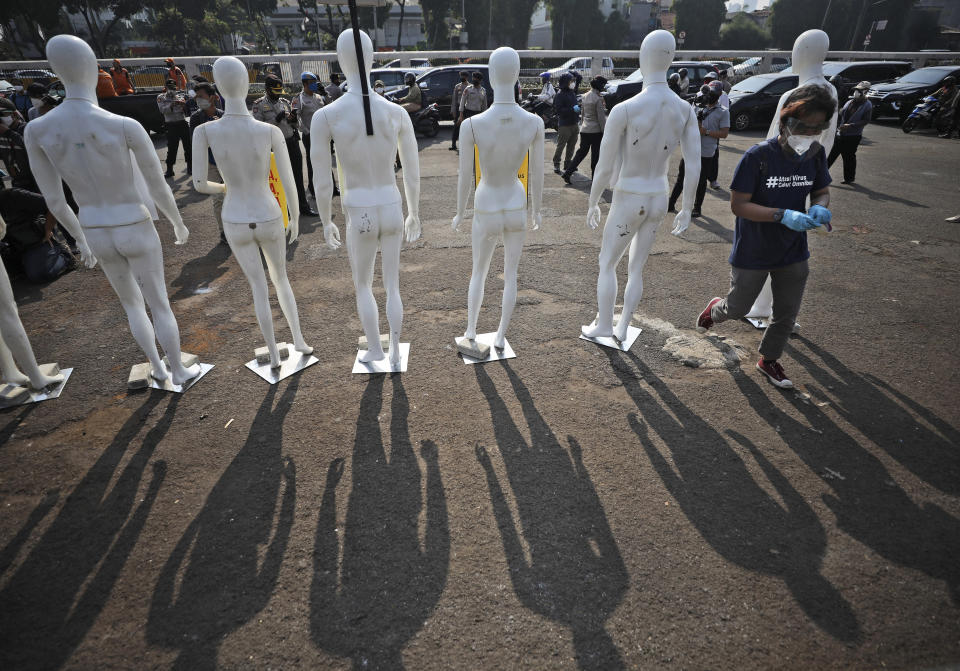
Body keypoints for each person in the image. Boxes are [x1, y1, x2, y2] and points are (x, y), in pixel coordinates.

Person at [696, 84, 835, 389]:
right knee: (739, 307)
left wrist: (820, 208)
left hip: (793, 249)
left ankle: (768, 359)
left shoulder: (815, 154)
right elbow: (738, 205)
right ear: (785, 122)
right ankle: (715, 309)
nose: (809, 134)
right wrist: (781, 214)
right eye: (802, 126)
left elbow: (821, 191)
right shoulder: (758, 156)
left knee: (786, 313)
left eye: (817, 128)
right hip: (754, 250)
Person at [251, 75, 317, 216]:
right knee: (280, 179)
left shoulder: (285, 102)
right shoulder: (259, 105)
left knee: (297, 176)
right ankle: (284, 210)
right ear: (267, 89)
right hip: (274, 147)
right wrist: (276, 119)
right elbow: (258, 129)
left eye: (280, 90)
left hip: (291, 142)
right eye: (275, 90)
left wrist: (292, 120)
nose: (278, 93)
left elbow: (297, 125)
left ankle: (303, 206)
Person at [669, 86, 728, 216]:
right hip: (690, 149)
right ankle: (670, 203)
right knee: (681, 178)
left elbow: (724, 134)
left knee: (701, 181)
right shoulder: (697, 107)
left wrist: (705, 132)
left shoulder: (723, 112)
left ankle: (697, 208)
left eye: (709, 95)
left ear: (716, 97)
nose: (706, 98)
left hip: (706, 152)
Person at [189, 82, 226, 243]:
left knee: (233, 195)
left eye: (201, 96)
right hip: (211, 164)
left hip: (227, 163)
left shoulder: (224, 115)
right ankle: (224, 232)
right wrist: (214, 129)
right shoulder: (196, 118)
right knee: (218, 198)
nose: (198, 100)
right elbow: (197, 143)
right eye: (196, 97)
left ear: (212, 97)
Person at [561, 76, 607, 183]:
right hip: (596, 131)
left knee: (580, 154)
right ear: (600, 86)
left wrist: (583, 126)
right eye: (603, 85)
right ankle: (594, 179)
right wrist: (605, 132)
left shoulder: (585, 96)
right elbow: (601, 118)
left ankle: (568, 173)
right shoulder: (598, 98)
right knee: (595, 155)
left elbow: (583, 113)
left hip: (585, 130)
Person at [291, 71, 329, 199]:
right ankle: (313, 189)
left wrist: (325, 94)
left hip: (323, 135)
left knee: (324, 161)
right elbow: (296, 118)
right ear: (305, 84)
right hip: (310, 135)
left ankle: (327, 187)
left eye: (315, 82)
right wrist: (306, 131)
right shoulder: (299, 99)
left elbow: (330, 107)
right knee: (312, 163)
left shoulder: (318, 97)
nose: (315, 85)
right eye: (312, 83)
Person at [828, 81, 872, 184]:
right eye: (856, 90)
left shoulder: (867, 105)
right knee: (831, 156)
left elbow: (866, 120)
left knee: (849, 157)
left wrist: (851, 126)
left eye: (859, 90)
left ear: (865, 92)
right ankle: (820, 176)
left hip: (853, 136)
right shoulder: (849, 102)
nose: (856, 92)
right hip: (840, 134)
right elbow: (841, 114)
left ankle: (849, 178)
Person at [157, 78, 191, 178]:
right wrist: (171, 105)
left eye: (173, 87)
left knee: (188, 146)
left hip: (182, 122)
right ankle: (169, 169)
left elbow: (187, 111)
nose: (172, 89)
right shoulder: (161, 97)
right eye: (169, 87)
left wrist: (184, 105)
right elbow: (162, 110)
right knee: (172, 148)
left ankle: (190, 167)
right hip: (171, 124)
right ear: (166, 87)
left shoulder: (180, 96)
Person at [0, 100, 36, 191]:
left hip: (35, 182)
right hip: (17, 183)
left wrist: (9, 133)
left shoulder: (27, 129)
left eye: (2, 114)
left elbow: (32, 147)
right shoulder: (2, 136)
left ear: (14, 114)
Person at [552, 72, 580, 174]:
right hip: (565, 125)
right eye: (571, 81)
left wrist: (577, 110)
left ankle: (567, 163)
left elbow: (579, 78)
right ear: (565, 82)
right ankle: (556, 163)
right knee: (561, 145)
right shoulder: (559, 95)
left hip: (574, 123)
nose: (573, 83)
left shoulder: (572, 92)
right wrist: (572, 110)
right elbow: (559, 111)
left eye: (573, 81)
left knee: (571, 146)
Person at [458, 71, 489, 146]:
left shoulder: (483, 91)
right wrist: (461, 115)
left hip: (478, 114)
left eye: (476, 79)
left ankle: (477, 146)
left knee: (477, 132)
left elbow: (485, 105)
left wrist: (485, 116)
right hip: (469, 113)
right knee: (469, 131)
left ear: (480, 80)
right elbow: (462, 102)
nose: (474, 80)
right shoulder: (468, 89)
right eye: (473, 78)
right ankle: (467, 146)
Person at [449, 70, 470, 151]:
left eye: (463, 76)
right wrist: (453, 111)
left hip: (467, 109)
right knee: (456, 127)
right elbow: (454, 100)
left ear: (467, 77)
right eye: (461, 76)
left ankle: (467, 145)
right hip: (458, 109)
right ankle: (453, 144)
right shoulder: (457, 86)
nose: (462, 77)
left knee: (467, 127)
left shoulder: (470, 86)